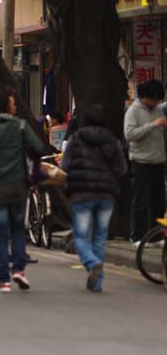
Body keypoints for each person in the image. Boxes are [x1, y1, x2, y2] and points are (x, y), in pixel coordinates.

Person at [0, 87, 46, 293]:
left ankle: (3, 280)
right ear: (6, 105)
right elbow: (39, 148)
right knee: (18, 229)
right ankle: (19, 270)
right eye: (12, 103)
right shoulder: (20, 126)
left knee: (2, 235)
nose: (14, 106)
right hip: (17, 186)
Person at [61, 104, 127, 292]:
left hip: (81, 193)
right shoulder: (113, 141)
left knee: (81, 236)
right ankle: (97, 284)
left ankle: (91, 263)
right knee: (100, 237)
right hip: (106, 195)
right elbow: (122, 169)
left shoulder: (76, 139)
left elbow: (65, 166)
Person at [124, 79, 167, 246]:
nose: (155, 102)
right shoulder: (133, 112)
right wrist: (152, 125)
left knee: (158, 200)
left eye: (158, 99)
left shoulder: (157, 110)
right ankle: (137, 236)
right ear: (143, 97)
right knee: (141, 200)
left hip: (158, 160)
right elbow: (129, 134)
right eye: (153, 98)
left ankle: (155, 235)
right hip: (141, 161)